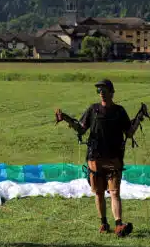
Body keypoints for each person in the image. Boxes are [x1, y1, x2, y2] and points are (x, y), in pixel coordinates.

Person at [55, 79, 144, 238]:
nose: (101, 93)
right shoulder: (93, 110)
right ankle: (103, 223)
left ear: (111, 92)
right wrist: (66, 118)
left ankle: (118, 225)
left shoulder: (119, 111)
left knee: (115, 192)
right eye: (99, 91)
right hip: (95, 159)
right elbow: (81, 129)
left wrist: (139, 118)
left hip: (113, 159)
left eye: (104, 90)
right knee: (99, 193)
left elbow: (129, 133)